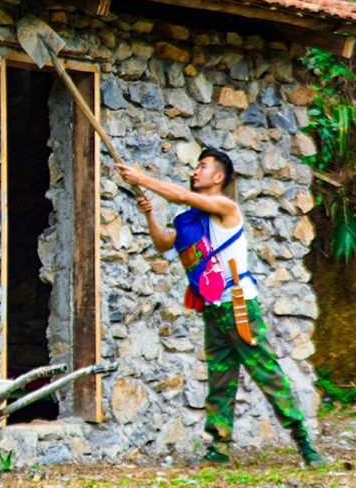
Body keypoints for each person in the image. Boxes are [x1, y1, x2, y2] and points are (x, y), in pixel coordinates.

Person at [118, 149, 324, 467]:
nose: (196, 171)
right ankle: (219, 448)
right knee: (219, 377)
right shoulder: (194, 222)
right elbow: (162, 243)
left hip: (240, 307)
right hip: (213, 309)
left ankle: (303, 441)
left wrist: (141, 178)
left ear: (218, 177)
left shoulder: (226, 208)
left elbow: (180, 195)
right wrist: (149, 215)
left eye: (202, 166)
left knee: (265, 372)